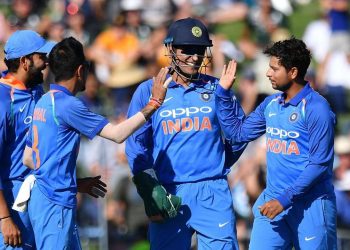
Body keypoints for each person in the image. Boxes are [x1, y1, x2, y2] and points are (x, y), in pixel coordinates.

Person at [21, 36, 175, 249]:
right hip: (55, 202)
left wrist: (74, 183)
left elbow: (29, 159)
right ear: (80, 70)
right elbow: (118, 134)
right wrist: (154, 103)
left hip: (45, 197)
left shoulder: (44, 101)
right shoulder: (68, 105)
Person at [125, 17, 246, 249]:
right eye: (187, 50)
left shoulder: (218, 89)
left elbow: (238, 134)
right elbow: (135, 143)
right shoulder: (148, 90)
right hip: (169, 192)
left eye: (200, 49)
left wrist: (220, 162)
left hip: (213, 190)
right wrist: (148, 185)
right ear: (171, 49)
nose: (195, 56)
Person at [215, 38, 337, 249]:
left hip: (311, 205)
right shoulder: (271, 104)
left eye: (274, 68)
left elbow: (319, 165)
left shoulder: (318, 109)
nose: (268, 73)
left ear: (293, 72)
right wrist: (223, 93)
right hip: (272, 202)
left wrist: (285, 200)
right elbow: (238, 133)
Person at [0, 30, 108, 249]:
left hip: (42, 197)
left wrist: (73, 184)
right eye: (41, 57)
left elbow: (41, 156)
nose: (47, 63)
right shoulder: (3, 102)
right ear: (25, 62)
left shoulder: (39, 92)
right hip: (12, 204)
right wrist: (4, 219)